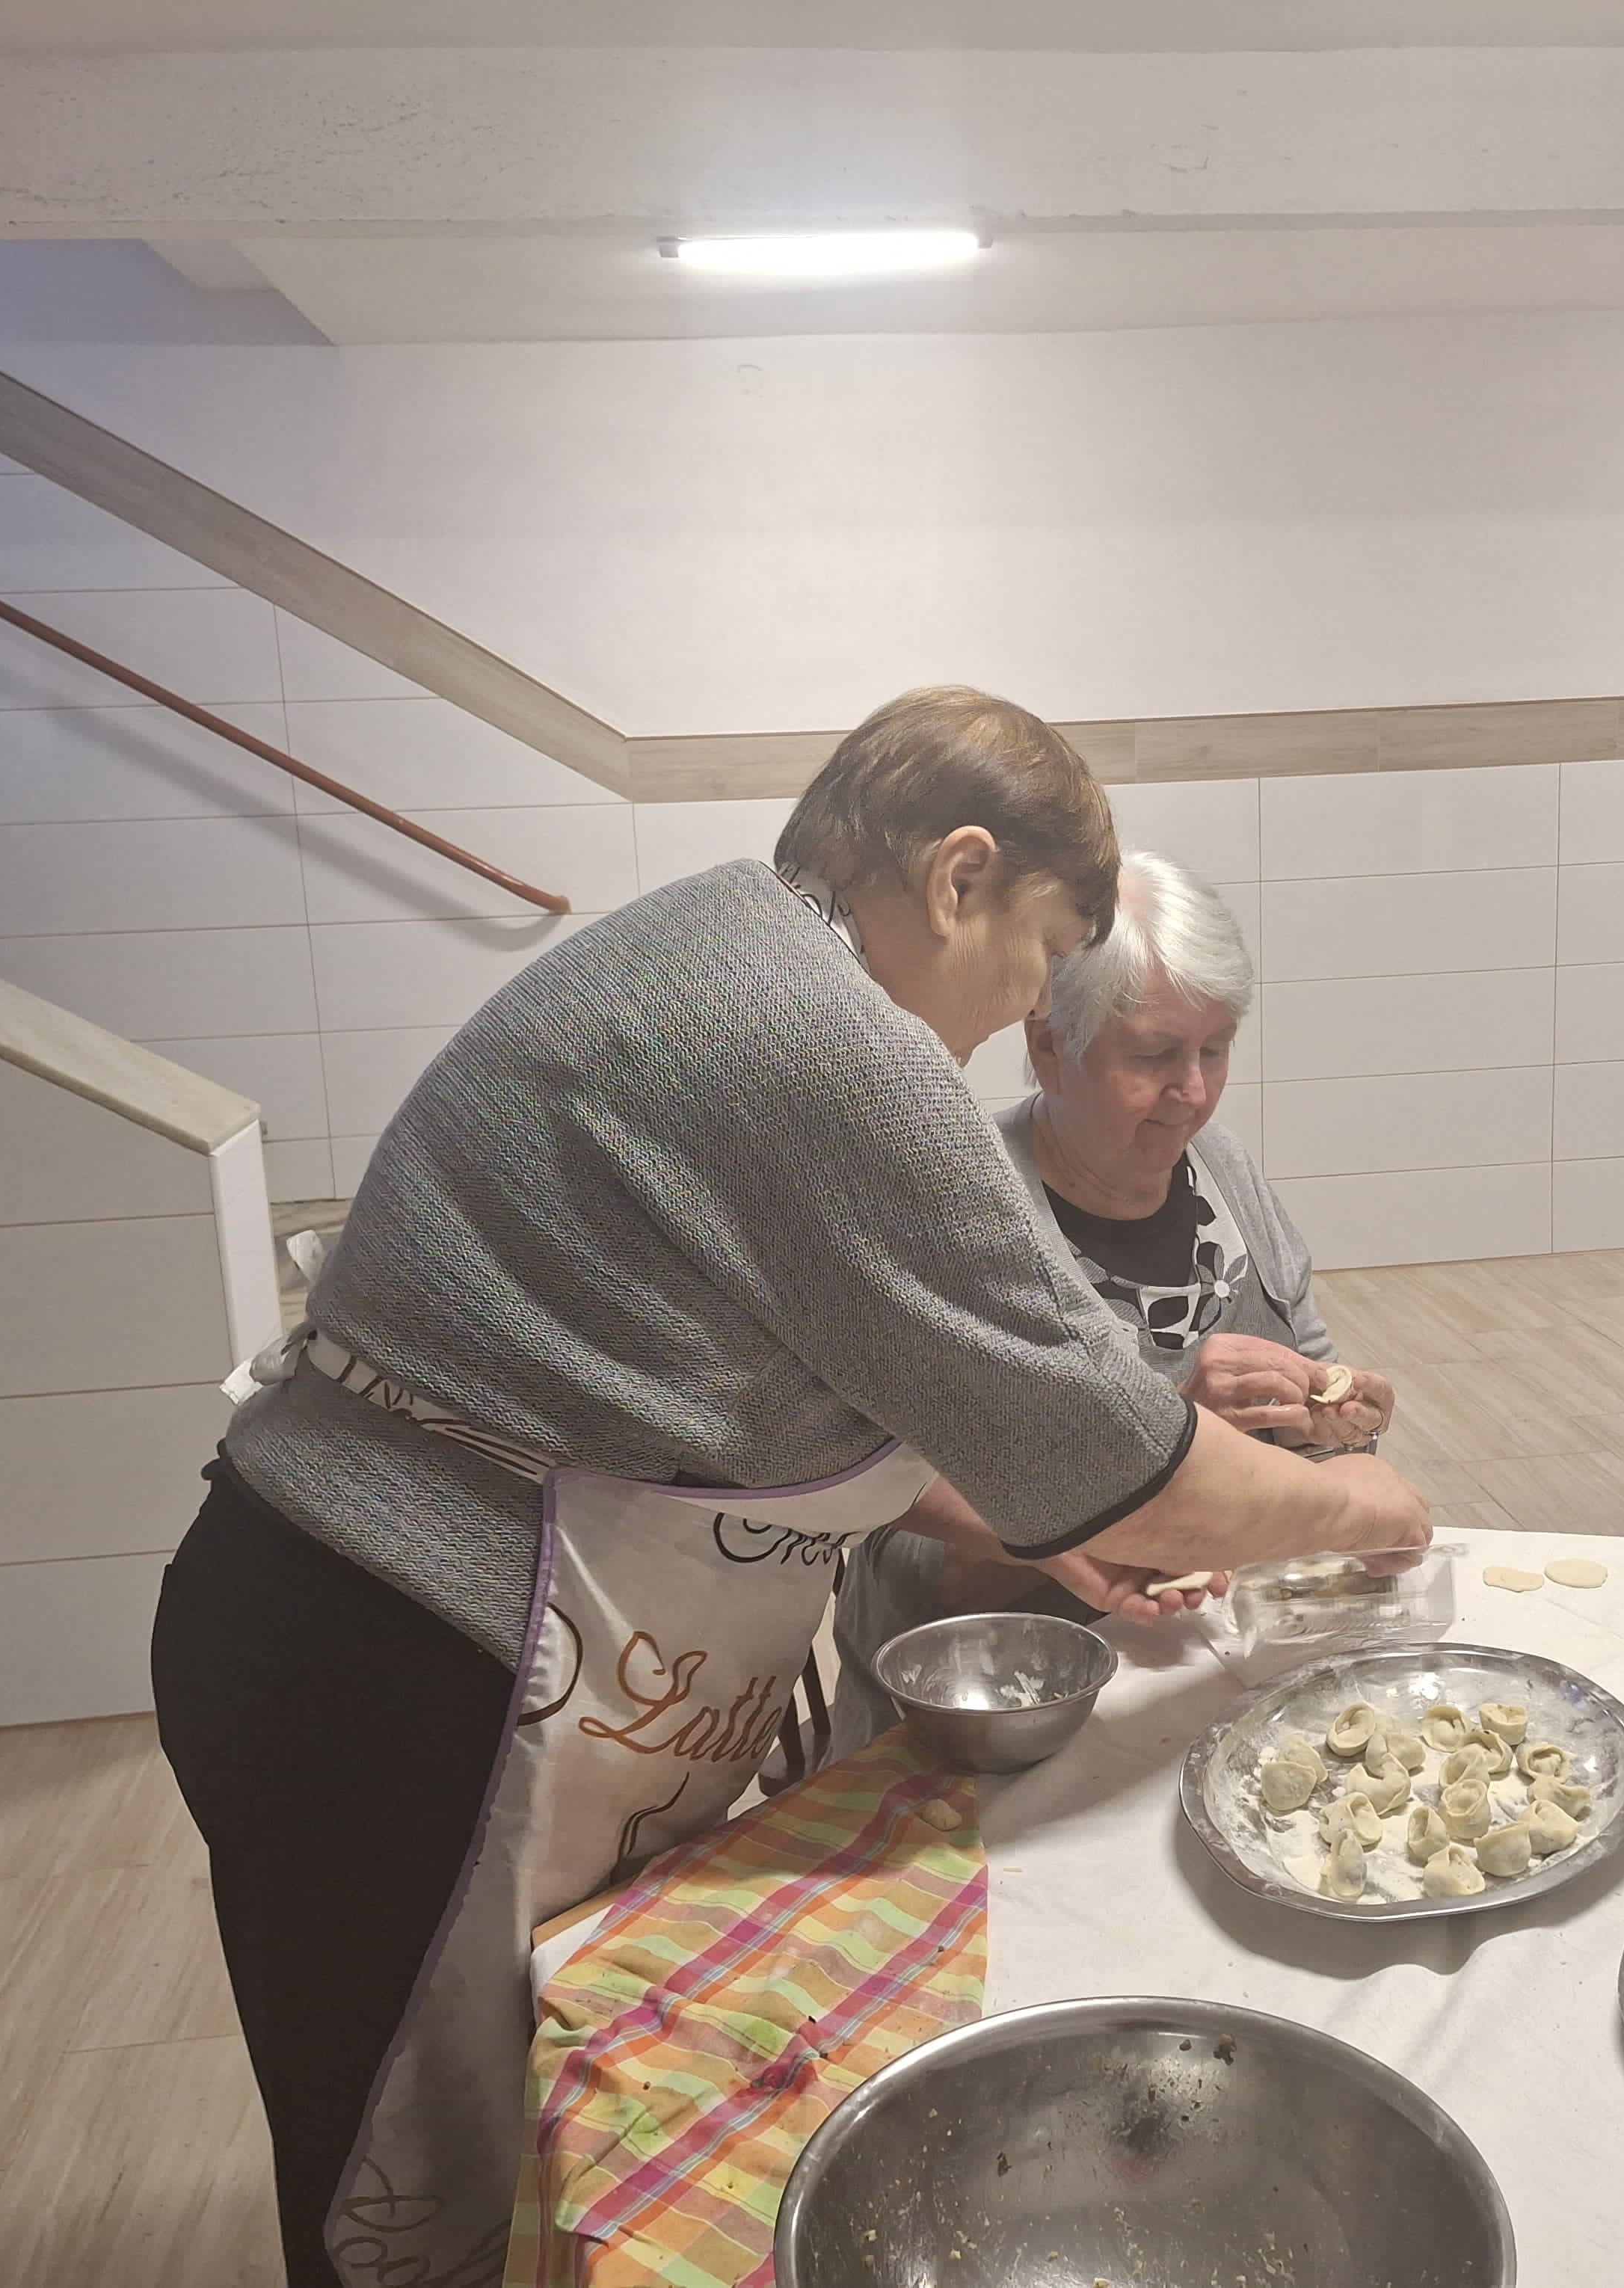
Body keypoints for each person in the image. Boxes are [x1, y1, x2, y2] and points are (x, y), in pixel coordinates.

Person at [148, 687, 1429, 2288]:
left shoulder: (714, 937)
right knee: (403, 2164)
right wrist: (1374, 1508)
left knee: (438, 2121)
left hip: (318, 1610)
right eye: (1036, 961)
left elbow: (737, 1403)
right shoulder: (832, 1043)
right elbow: (1126, 1462)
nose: (1005, 1024)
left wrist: (1028, 1525)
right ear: (960, 877)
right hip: (396, 1654)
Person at [831, 852, 1392, 1739]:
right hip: (992, 1704)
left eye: (1215, 1049)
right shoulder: (960, 1212)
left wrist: (1337, 1421)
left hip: (1191, 1669)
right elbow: (913, 1549)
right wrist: (1166, 1445)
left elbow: (1312, 1406)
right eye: (1155, 1055)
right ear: (1049, 1047)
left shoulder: (1221, 1170)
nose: (1193, 1094)